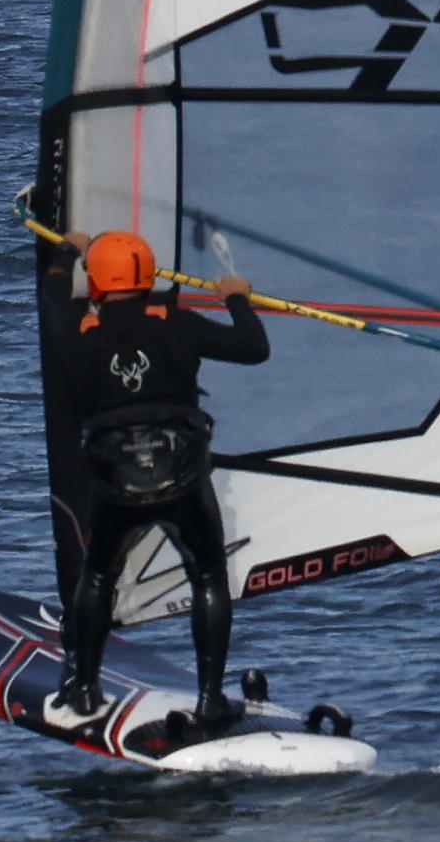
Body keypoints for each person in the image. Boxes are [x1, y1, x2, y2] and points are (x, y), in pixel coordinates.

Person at [41, 229, 269, 736]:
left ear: (96, 285)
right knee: (208, 576)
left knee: (98, 576)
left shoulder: (78, 330)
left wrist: (67, 249)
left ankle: (83, 686)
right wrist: (236, 298)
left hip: (114, 481)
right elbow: (254, 348)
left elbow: (53, 292)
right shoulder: (179, 324)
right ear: (148, 281)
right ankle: (210, 701)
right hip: (183, 479)